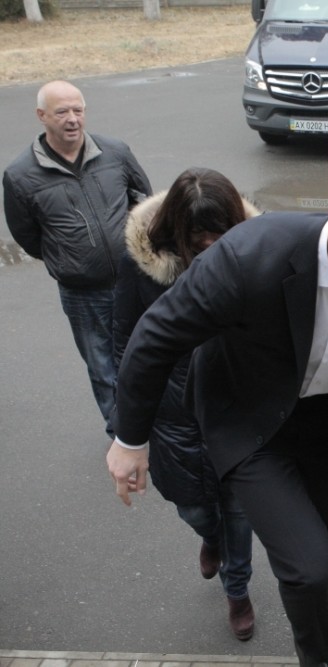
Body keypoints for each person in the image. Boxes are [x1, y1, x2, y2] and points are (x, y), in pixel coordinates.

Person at [106, 157, 328, 667]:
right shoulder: (250, 255)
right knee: (310, 570)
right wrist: (130, 441)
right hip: (248, 421)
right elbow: (154, 338)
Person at [113, 168, 260, 641]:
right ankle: (209, 537)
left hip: (236, 417)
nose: (210, 245)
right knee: (196, 511)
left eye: (220, 234)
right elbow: (125, 348)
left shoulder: (256, 255)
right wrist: (127, 433)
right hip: (174, 421)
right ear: (175, 231)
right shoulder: (140, 269)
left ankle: (237, 590)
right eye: (199, 238)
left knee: (240, 514)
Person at [3, 80, 152, 439]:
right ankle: (124, 436)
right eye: (62, 112)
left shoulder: (115, 152)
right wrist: (68, 259)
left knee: (149, 352)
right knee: (103, 366)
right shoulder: (20, 175)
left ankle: (158, 424)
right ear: (41, 116)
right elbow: (27, 235)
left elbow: (144, 198)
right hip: (82, 292)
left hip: (134, 277)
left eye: (78, 110)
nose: (72, 119)